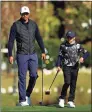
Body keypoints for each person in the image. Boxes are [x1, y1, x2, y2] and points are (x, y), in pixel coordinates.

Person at [8, 6, 46, 106]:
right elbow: (11, 41)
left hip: (33, 54)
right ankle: (22, 100)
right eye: (23, 14)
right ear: (21, 14)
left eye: (27, 13)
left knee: (34, 75)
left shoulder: (34, 24)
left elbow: (39, 38)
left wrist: (43, 51)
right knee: (22, 77)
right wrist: (10, 55)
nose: (25, 15)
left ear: (29, 14)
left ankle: (27, 94)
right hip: (21, 55)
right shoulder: (15, 25)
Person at [56, 31, 89, 108]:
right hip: (66, 66)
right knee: (67, 82)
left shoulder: (78, 46)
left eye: (70, 37)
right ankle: (61, 98)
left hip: (75, 67)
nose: (69, 39)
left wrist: (83, 58)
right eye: (68, 37)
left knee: (73, 84)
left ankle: (71, 100)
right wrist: (58, 65)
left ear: (74, 37)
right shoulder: (63, 46)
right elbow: (60, 56)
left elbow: (87, 53)